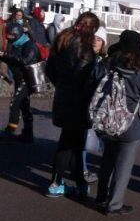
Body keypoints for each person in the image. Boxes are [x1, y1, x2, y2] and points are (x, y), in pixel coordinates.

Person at [95, 36, 140, 215]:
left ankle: (101, 196)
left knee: (107, 160)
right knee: (123, 166)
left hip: (106, 119)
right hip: (131, 125)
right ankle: (114, 204)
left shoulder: (107, 65)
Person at [45, 12, 101, 198]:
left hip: (63, 96)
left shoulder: (64, 38)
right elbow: (85, 78)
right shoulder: (84, 47)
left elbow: (50, 68)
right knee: (70, 143)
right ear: (92, 28)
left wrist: (61, 85)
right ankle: (57, 183)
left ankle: (77, 183)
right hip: (77, 102)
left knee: (72, 143)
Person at [0, 22, 41, 143]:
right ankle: (28, 133)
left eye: (11, 35)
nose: (9, 38)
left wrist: (6, 56)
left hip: (27, 80)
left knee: (15, 103)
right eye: (8, 35)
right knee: (24, 105)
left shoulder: (29, 45)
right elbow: (12, 57)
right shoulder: (16, 44)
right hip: (19, 79)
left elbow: (25, 61)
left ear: (17, 34)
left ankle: (10, 131)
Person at [82, 27, 109, 183]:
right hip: (85, 103)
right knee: (84, 139)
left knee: (101, 138)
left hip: (99, 106)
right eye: (93, 38)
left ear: (103, 43)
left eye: (99, 39)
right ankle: (83, 170)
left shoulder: (104, 61)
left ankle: (104, 171)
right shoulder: (85, 58)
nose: (95, 41)